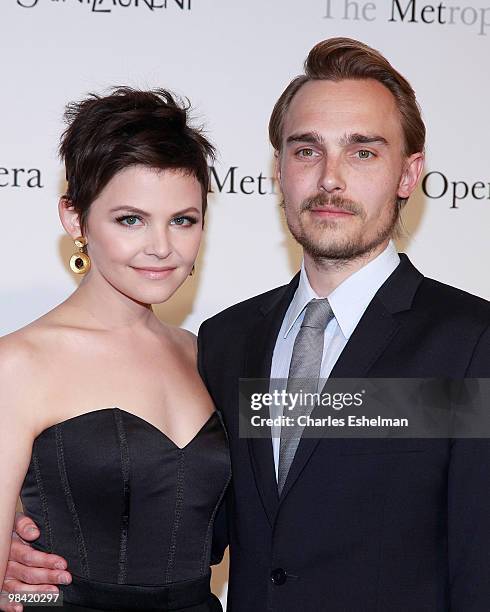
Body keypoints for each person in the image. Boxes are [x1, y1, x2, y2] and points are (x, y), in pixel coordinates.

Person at [5, 37, 490, 611]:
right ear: (279, 169)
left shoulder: (469, 343)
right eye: (307, 150)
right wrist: (38, 544)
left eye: (363, 152)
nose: (330, 178)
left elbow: (478, 567)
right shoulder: (228, 341)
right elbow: (186, 520)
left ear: (409, 174)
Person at [0, 87, 230, 612]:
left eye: (183, 220)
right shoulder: (18, 364)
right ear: (75, 219)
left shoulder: (205, 354)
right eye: (131, 219)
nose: (161, 247)